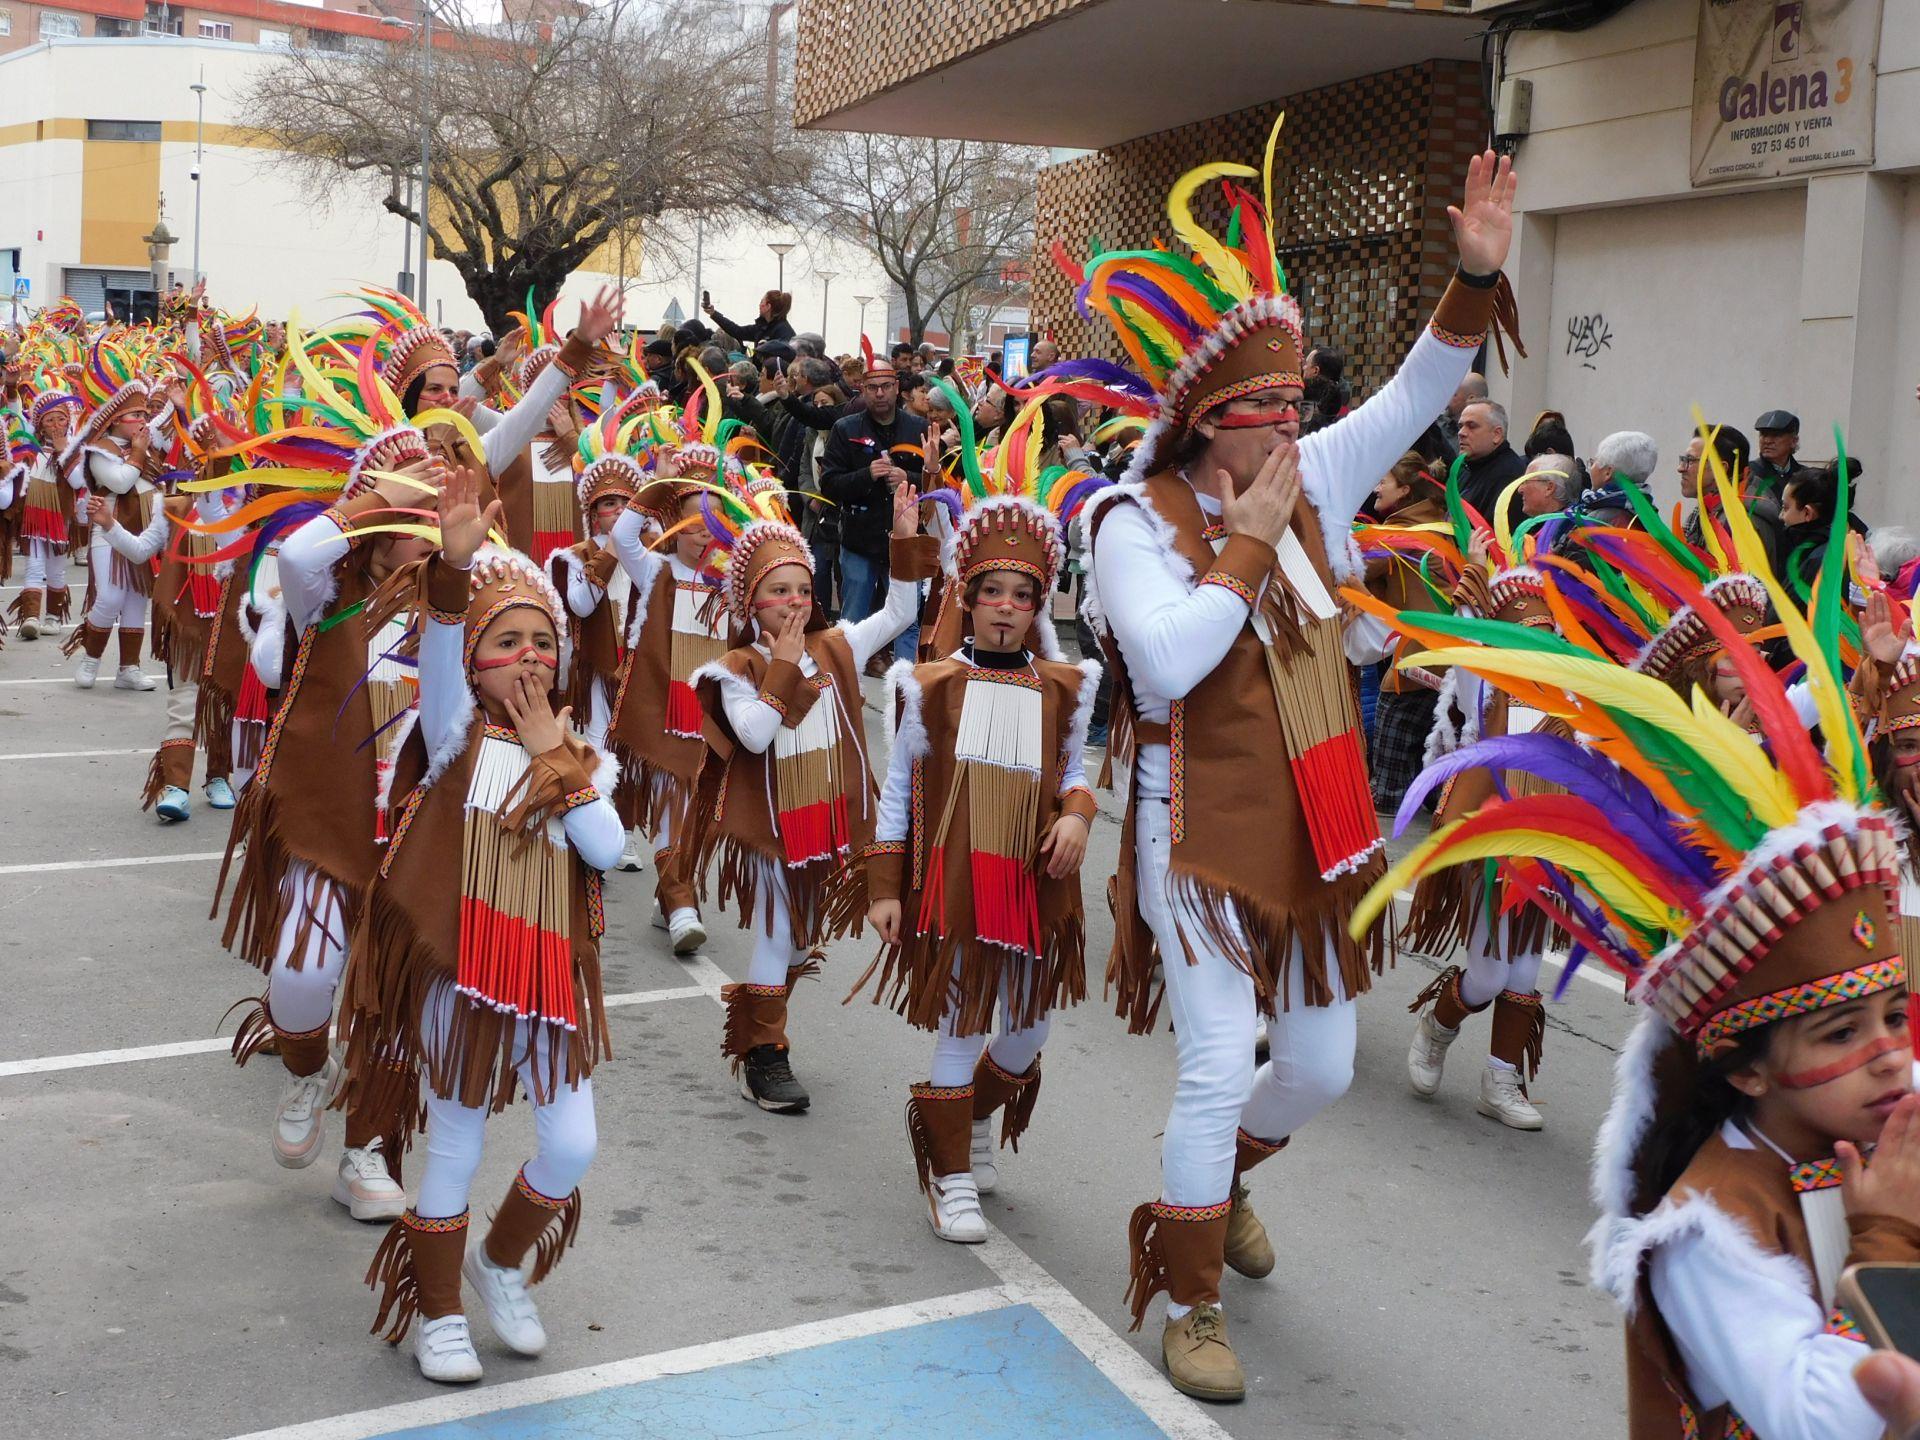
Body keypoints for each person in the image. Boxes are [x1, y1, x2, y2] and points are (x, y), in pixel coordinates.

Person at [1071, 124, 1518, 1401]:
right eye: (1262, 414)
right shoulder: (1131, 521)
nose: (1289, 429)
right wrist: (1250, 547)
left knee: (1318, 1064)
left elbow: (1416, 394)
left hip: (1317, 817)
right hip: (1196, 827)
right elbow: (1167, 666)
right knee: (1220, 1060)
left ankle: (1211, 1193)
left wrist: (1474, 275)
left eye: (1292, 410)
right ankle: (1189, 1298)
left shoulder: (1312, 474)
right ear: (1205, 426)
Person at [342, 469, 623, 1385]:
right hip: (462, 968)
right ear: (474, 664)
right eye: (507, 643)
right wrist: (455, 573)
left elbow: (607, 847)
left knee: (572, 1144)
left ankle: (499, 1262)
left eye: (543, 642)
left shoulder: (585, 754)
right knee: (456, 1144)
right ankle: (438, 1315)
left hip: (547, 976)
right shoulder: (454, 730)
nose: (529, 657)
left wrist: (555, 758)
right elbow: (439, 648)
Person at [854, 414, 1104, 1243]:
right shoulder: (926, 685)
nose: (1005, 607)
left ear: (1038, 606)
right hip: (958, 886)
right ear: (967, 596)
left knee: (1028, 1032)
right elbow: (898, 793)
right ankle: (949, 1173)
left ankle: (968, 1120)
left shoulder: (1066, 687)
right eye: (992, 591)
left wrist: (1077, 816)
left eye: (1022, 595)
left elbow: (1074, 774)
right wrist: (885, 888)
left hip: (1033, 884)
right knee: (961, 1022)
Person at [690, 474, 930, 1113]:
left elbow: (901, 614)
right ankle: (767, 1056)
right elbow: (754, 734)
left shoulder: (836, 645)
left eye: (801, 587)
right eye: (777, 590)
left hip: (828, 824)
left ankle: (754, 1032)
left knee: (798, 942)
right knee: (778, 936)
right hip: (774, 831)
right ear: (751, 602)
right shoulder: (737, 669)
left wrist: (902, 543)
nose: (793, 600)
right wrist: (782, 665)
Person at [818, 345, 929, 670]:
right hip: (860, 538)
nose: (880, 394)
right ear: (862, 390)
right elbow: (830, 484)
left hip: (905, 541)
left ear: (897, 388)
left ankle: (906, 685)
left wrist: (908, 477)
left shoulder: (917, 428)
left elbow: (938, 483)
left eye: (886, 386)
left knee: (908, 619)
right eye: (872, 388)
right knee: (853, 619)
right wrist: (866, 475)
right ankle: (843, 679)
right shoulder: (846, 428)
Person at [65, 340, 166, 691]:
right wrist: (138, 452)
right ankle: (91, 659)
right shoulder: (100, 450)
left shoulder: (146, 444)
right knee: (110, 596)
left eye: (144, 415)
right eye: (136, 416)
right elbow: (121, 483)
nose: (143, 421)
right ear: (115, 420)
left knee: (137, 599)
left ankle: (129, 669)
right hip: (108, 531)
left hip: (142, 531)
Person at [1359, 453, 1450, 812]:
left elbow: (1354, 570)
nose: (1376, 487)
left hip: (1417, 659)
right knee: (1433, 763)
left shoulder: (1402, 534)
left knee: (1388, 790)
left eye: (1384, 480)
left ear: (1405, 490)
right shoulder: (1437, 524)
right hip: (1447, 656)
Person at [5, 379, 84, 639]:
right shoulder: (31, 449)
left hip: (61, 518)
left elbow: (78, 482)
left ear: (68, 421)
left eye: (61, 419)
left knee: (56, 568)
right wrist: (12, 390)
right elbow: (15, 419)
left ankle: (53, 616)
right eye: (49, 420)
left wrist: (64, 453)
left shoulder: (76, 450)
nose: (56, 425)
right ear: (40, 425)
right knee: (34, 564)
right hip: (33, 517)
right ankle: (30, 617)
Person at [1455, 398, 1527, 529]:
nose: (1461, 433)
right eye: (1460, 426)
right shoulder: (1466, 467)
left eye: (1472, 426)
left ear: (1496, 434)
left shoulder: (1508, 477)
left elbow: (1494, 534)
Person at [1572, 430, 1657, 530]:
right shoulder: (1648, 512)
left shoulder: (1597, 520)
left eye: (1593, 462)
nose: (1590, 468)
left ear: (1608, 472)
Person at [1779, 464, 1840, 595]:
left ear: (1807, 513)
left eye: (1785, 507)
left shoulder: (1815, 562)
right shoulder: (1834, 546)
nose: (1781, 516)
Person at [1751, 407, 1799, 498]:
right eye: (1763, 434)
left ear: (1794, 441)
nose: (1767, 441)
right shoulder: (1749, 474)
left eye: (1776, 435)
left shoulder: (1804, 477)